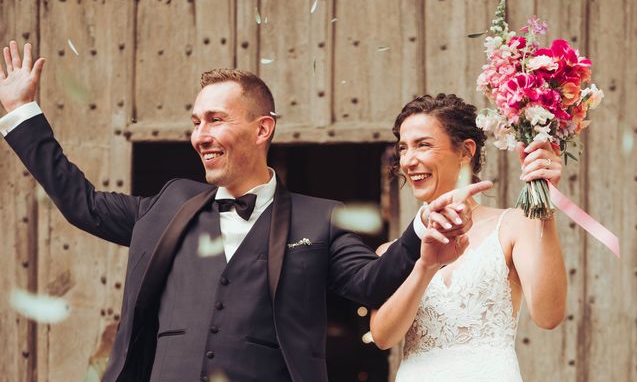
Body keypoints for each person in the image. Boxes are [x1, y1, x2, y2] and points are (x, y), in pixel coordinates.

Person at [0, 41, 492, 382]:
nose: (199, 134)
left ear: (262, 130)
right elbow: (81, 204)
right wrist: (22, 114)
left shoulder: (317, 219)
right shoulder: (168, 204)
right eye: (195, 121)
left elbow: (372, 282)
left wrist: (420, 228)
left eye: (216, 119)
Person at [370, 93, 567, 381]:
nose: (409, 160)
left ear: (465, 151)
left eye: (423, 145)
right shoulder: (391, 251)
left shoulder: (512, 224)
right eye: (403, 148)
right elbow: (383, 337)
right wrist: (424, 268)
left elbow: (549, 316)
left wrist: (544, 207)